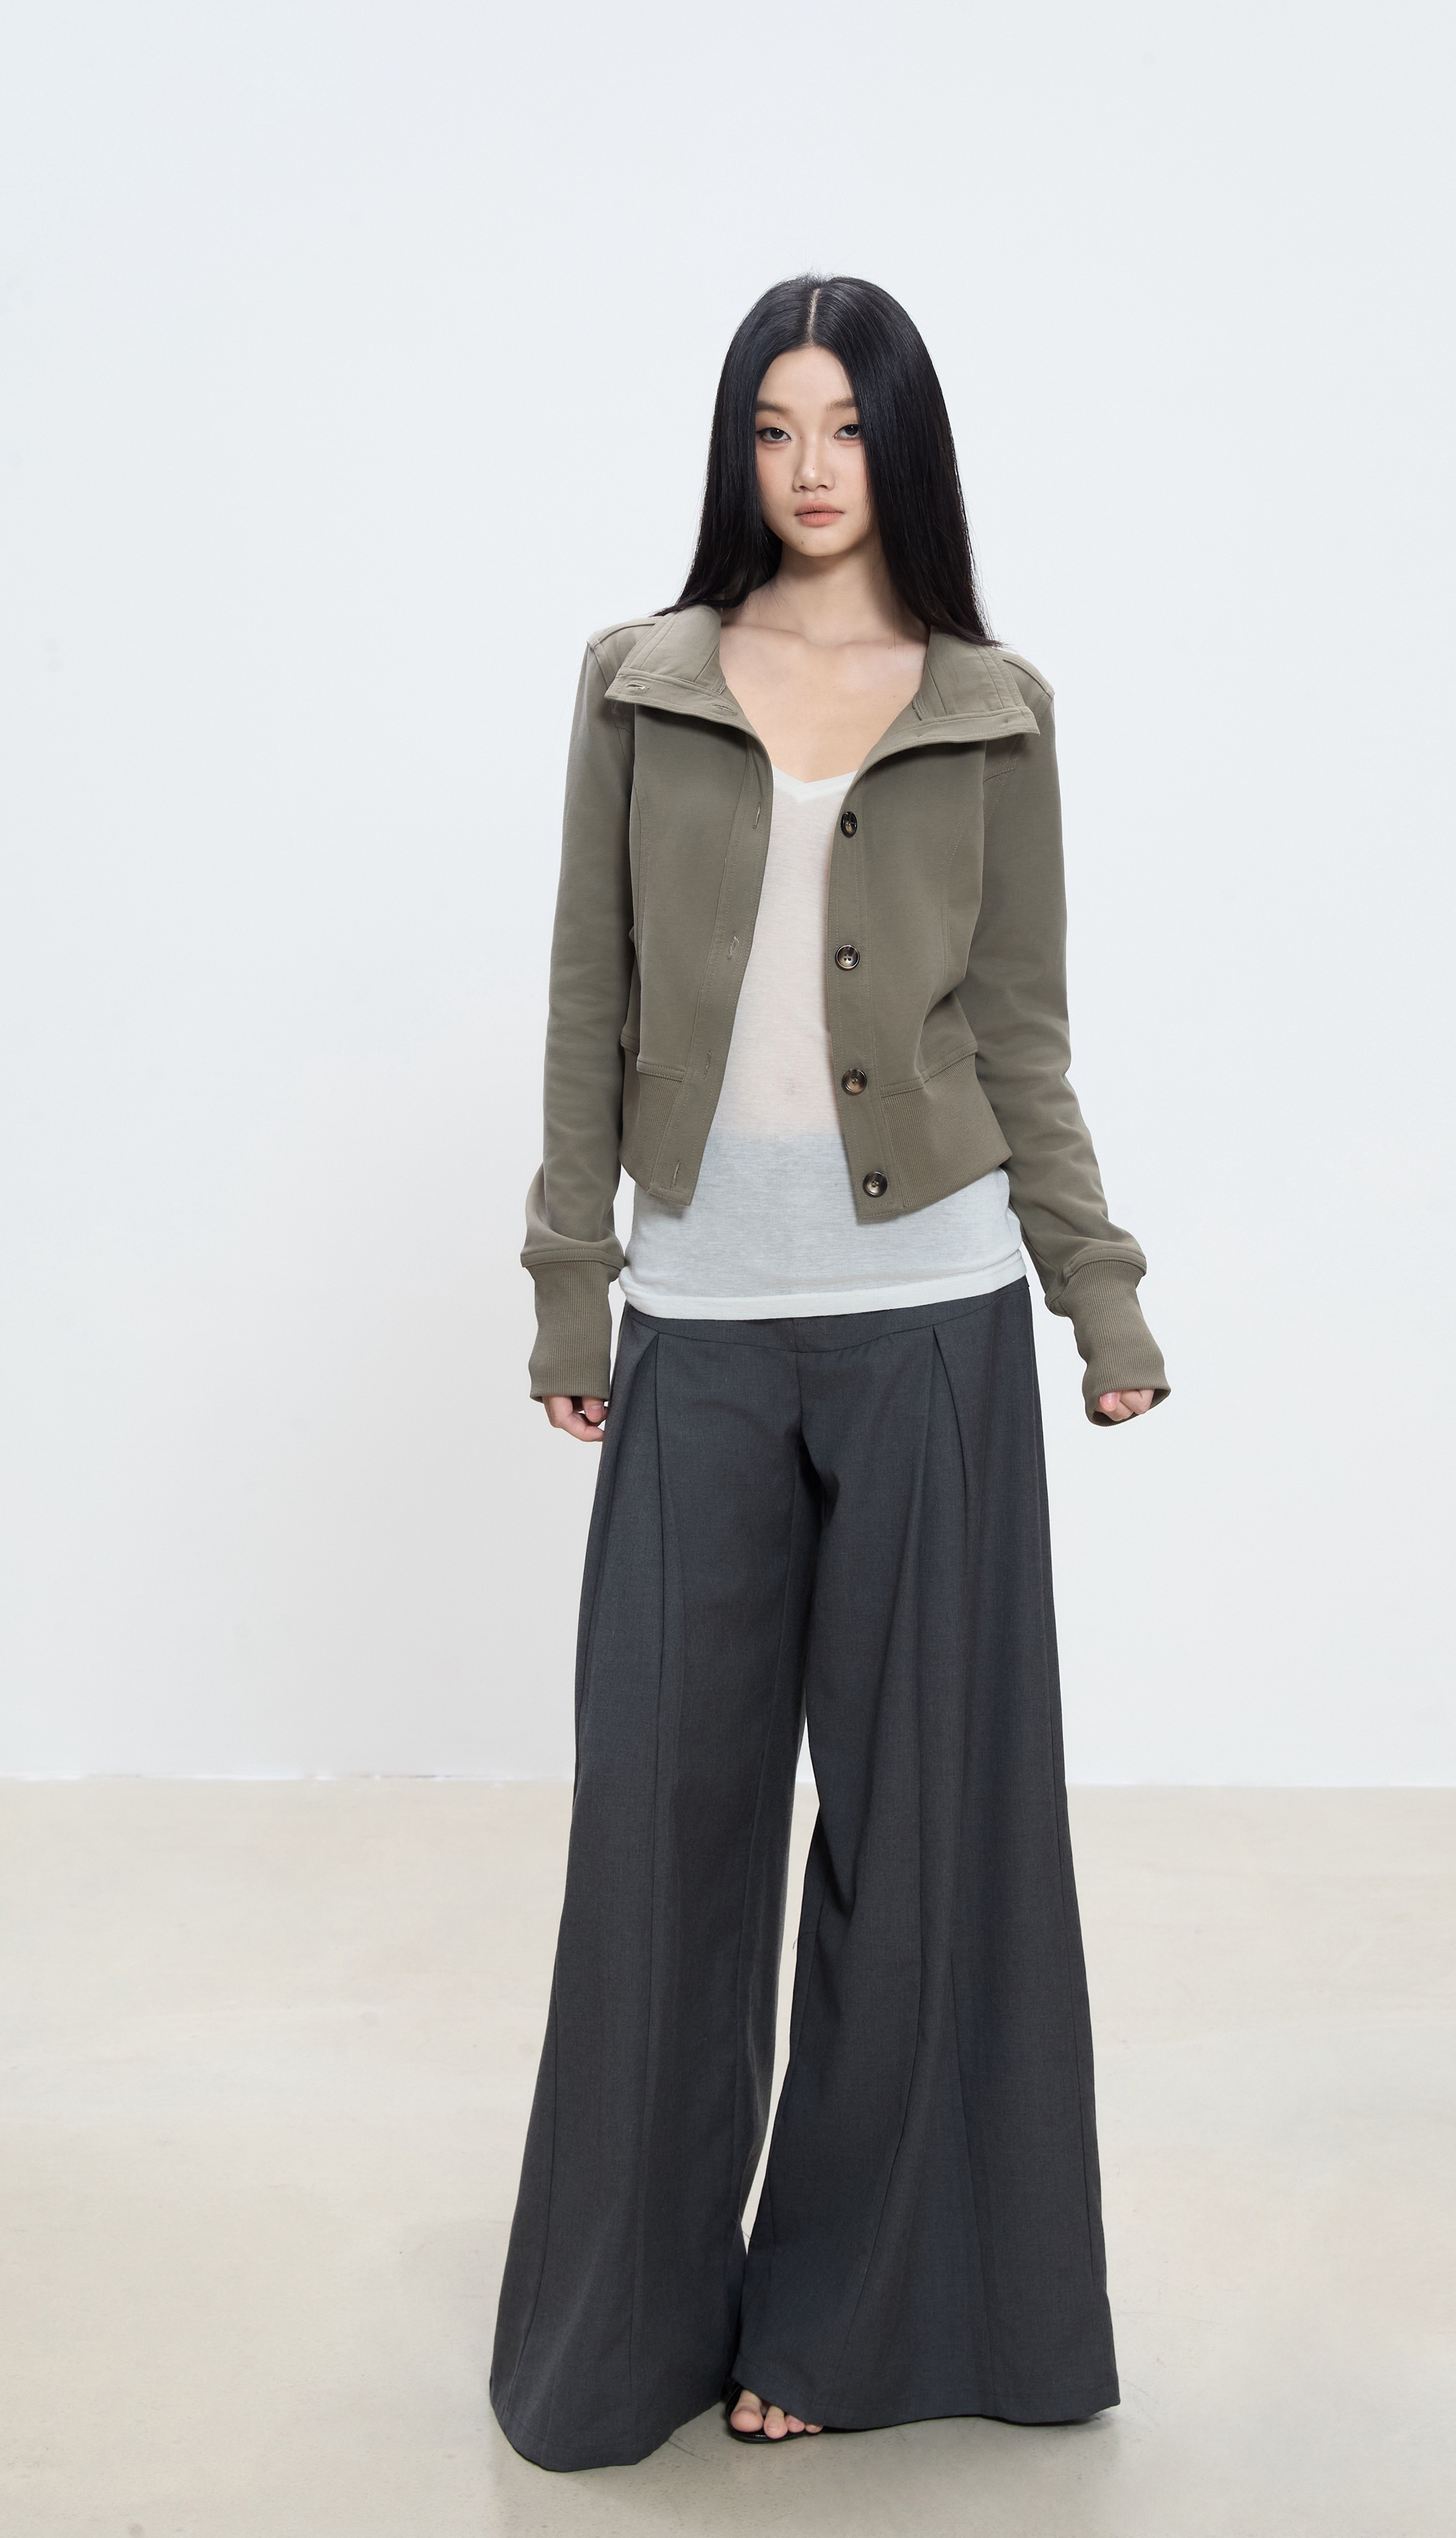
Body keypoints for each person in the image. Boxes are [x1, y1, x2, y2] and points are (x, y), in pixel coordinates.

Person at [489, 274, 1169, 2473]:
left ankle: (861, 2313)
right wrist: (570, 1279)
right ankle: (618, 2339)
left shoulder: (991, 704)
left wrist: (1095, 1294)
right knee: (664, 1840)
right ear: (736, 447)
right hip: (698, 1328)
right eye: (774, 425)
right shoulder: (641, 679)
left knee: (925, 1841)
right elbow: (587, 996)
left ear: (902, 447)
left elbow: (1021, 1028)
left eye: (846, 426)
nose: (808, 466)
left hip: (932, 1323)